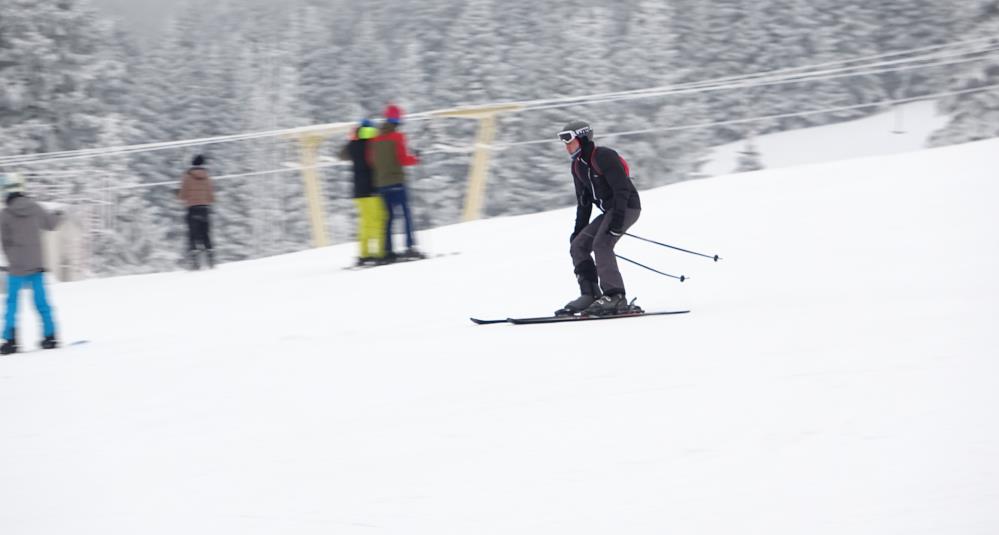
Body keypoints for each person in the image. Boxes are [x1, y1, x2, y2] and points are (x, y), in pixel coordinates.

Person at [556, 120, 642, 316]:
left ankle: (615, 296)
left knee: (601, 244)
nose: (567, 147)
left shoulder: (603, 156)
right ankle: (590, 294)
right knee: (578, 245)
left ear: (582, 138)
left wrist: (617, 220)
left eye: (570, 141)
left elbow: (622, 190)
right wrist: (578, 231)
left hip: (626, 207)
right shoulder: (577, 166)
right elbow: (584, 203)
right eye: (565, 143)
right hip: (610, 211)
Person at [0, 173, 64, 354]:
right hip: (36, 265)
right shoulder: (35, 207)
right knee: (42, 303)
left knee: (12, 304)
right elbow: (51, 224)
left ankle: (10, 341)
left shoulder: (4, 214)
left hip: (16, 267)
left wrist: (12, 258)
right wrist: (58, 213)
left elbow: (4, 241)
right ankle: (50, 337)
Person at [368, 104, 422, 261]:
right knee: (406, 215)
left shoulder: (375, 139)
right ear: (398, 120)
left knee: (388, 218)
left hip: (381, 185)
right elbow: (403, 159)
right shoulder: (398, 137)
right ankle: (409, 246)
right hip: (397, 182)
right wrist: (416, 158)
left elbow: (371, 161)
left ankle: (387, 251)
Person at [339, 119, 386, 266]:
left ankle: (364, 254)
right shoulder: (373, 144)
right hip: (372, 189)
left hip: (358, 191)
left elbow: (342, 155)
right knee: (378, 220)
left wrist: (353, 137)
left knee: (365, 223)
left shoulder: (353, 145)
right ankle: (379, 253)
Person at [177, 154, 215, 270]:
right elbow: (211, 197)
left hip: (192, 209)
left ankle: (194, 262)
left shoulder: (187, 176)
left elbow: (182, 195)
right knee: (205, 235)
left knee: (192, 236)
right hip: (204, 209)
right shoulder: (207, 176)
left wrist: (178, 195)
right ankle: (210, 259)